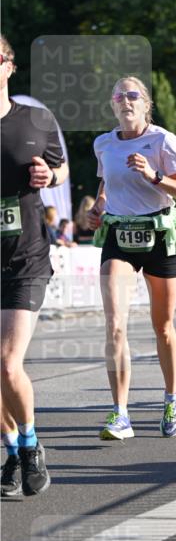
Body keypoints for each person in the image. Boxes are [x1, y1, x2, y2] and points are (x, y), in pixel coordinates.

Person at [89, 76, 176, 440]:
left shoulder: (163, 140)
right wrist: (99, 207)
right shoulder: (103, 143)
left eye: (132, 95)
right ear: (112, 105)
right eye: (118, 95)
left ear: (145, 104)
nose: (125, 101)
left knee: (162, 327)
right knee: (115, 323)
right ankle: (120, 413)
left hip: (159, 237)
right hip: (119, 236)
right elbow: (106, 183)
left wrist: (154, 176)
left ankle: (171, 396)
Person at [1, 34, 68, 498]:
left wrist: (51, 174)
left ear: (9, 66)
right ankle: (9, 451)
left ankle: (30, 445)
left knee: (7, 364)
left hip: (25, 257)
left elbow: (61, 169)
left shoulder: (35, 119)